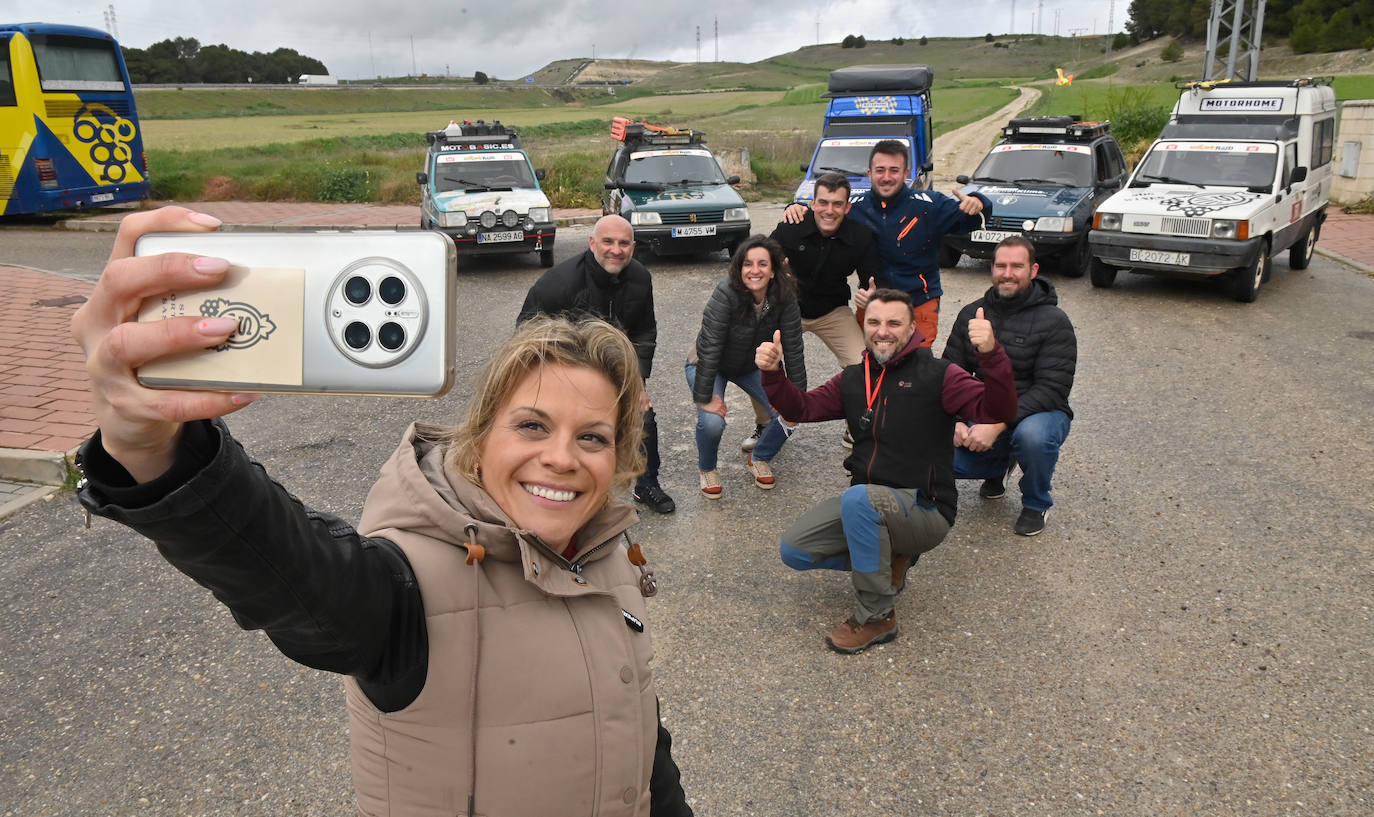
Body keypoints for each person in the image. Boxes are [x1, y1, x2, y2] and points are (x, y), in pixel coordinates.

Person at [71, 207, 693, 817]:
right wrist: (157, 451)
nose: (562, 458)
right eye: (531, 425)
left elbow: (640, 738)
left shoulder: (608, 554)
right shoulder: (405, 586)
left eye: (592, 437)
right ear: (479, 441)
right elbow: (287, 569)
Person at [756, 287, 1017, 654]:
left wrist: (991, 356)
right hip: (871, 506)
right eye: (875, 322)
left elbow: (997, 409)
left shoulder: (939, 375)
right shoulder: (853, 378)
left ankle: (877, 616)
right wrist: (773, 374)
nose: (883, 330)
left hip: (926, 507)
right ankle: (889, 559)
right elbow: (801, 409)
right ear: (864, 327)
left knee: (859, 501)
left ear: (912, 329)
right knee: (794, 550)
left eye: (895, 323)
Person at [518, 214, 675, 515]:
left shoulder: (641, 278)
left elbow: (644, 332)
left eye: (624, 243)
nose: (616, 249)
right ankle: (566, 486)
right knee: (575, 429)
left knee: (645, 420)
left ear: (633, 246)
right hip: (565, 374)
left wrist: (637, 382)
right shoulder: (558, 284)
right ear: (592, 243)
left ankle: (647, 485)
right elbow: (526, 338)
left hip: (617, 370)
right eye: (608, 241)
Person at [783, 139, 991, 348]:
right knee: (871, 368)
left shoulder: (929, 205)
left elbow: (970, 218)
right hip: (872, 303)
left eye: (894, 170)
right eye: (880, 170)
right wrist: (794, 207)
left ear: (906, 173)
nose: (886, 177)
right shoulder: (855, 208)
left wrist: (979, 202)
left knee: (915, 368)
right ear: (869, 173)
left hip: (918, 302)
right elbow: (824, 214)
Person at [942, 236, 1077, 537]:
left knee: (1032, 437)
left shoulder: (1055, 322)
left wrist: (997, 424)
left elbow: (1052, 389)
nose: (1007, 273)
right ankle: (998, 466)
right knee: (937, 451)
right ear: (991, 269)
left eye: (1017, 266)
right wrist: (957, 421)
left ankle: (1036, 501)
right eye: (1001, 265)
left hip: (1040, 411)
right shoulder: (971, 314)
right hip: (988, 408)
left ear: (1033, 270)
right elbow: (950, 375)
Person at [757, 171, 881, 451]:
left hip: (831, 310)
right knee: (762, 356)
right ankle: (764, 423)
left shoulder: (860, 236)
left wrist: (871, 297)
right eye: (823, 202)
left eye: (837, 204)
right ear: (812, 203)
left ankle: (855, 424)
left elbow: (873, 280)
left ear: (847, 207)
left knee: (864, 364)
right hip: (787, 309)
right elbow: (761, 264)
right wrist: (776, 277)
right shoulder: (791, 226)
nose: (829, 210)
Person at [687, 235, 806, 498]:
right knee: (712, 421)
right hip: (710, 362)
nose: (755, 270)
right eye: (748, 264)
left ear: (773, 270)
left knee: (791, 412)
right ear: (739, 268)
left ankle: (760, 455)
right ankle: (707, 468)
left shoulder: (785, 297)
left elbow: (794, 348)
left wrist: (795, 397)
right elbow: (710, 348)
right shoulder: (726, 292)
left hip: (749, 364)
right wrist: (705, 397)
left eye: (762, 264)